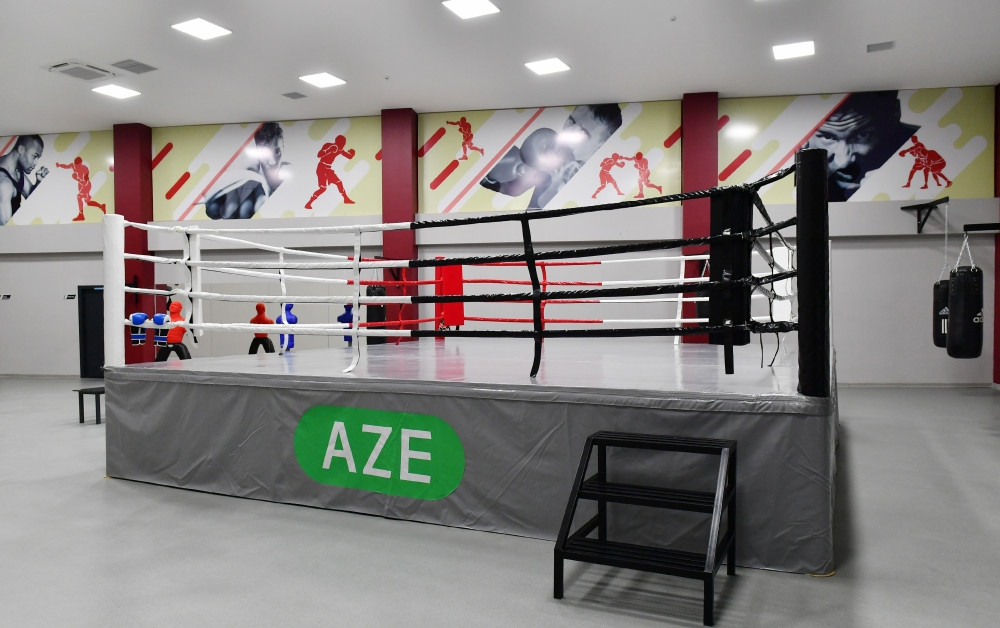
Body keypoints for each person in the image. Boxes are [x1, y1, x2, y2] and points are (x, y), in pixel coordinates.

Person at [803, 91, 918, 201]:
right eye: (827, 137)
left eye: (863, 135)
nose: (844, 162)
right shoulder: (800, 160)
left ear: (895, 115)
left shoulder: (917, 149)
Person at [205, 122, 288, 219]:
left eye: (277, 152)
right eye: (265, 154)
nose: (272, 162)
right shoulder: (248, 175)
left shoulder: (292, 174)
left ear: (283, 147)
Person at [0, 135, 49, 226]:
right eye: (34, 156)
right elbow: (6, 229)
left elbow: (32, 199)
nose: (35, 163)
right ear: (21, 150)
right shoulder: (4, 184)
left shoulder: (15, 171)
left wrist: (38, 182)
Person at [305, 134, 356, 208]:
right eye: (343, 143)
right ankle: (308, 203)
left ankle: (346, 199)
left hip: (328, 169)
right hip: (321, 168)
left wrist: (353, 153)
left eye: (344, 144)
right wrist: (328, 150)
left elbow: (349, 156)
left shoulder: (340, 150)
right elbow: (319, 155)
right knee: (323, 188)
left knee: (339, 183)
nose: (344, 145)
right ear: (338, 142)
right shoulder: (330, 146)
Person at [56, 156, 106, 221]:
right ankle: (101, 206)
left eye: (78, 166)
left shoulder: (85, 169)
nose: (76, 167)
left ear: (81, 164)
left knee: (79, 197)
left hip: (86, 185)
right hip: (80, 186)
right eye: (76, 166)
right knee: (88, 202)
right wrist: (59, 165)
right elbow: (66, 166)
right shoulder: (73, 165)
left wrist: (77, 178)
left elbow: (85, 183)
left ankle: (81, 215)